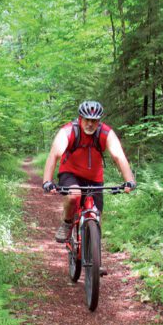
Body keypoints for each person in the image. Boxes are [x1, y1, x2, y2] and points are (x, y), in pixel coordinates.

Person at [41, 101, 136, 242]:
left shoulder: (105, 133)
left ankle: (92, 251)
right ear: (80, 118)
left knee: (97, 216)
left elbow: (118, 156)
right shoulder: (69, 131)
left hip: (94, 178)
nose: (90, 124)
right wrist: (47, 181)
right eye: (87, 120)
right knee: (74, 196)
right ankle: (67, 223)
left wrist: (129, 180)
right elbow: (54, 154)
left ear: (99, 121)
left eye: (94, 120)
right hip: (70, 173)